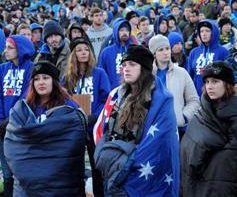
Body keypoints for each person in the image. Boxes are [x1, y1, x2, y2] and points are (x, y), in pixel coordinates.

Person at [93, 45, 179, 196]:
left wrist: (126, 168)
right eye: (124, 65)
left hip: (139, 176)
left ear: (144, 68)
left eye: (132, 64)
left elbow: (157, 146)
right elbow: (106, 132)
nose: (126, 69)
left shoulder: (162, 99)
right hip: (113, 173)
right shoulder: (118, 95)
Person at [4, 61, 87, 197]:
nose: (41, 82)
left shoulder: (69, 107)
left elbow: (72, 143)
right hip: (27, 187)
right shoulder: (24, 107)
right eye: (36, 79)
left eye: (45, 78)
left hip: (60, 186)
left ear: (54, 81)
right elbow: (14, 143)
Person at [181, 61, 237, 197]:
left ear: (228, 84)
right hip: (194, 180)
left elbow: (236, 154)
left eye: (215, 81)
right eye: (207, 82)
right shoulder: (203, 110)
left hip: (217, 184)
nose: (209, 87)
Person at [63, 38, 111, 196]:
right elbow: (63, 99)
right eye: (79, 50)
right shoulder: (68, 77)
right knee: (74, 167)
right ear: (74, 54)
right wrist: (74, 115)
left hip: (94, 127)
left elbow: (106, 99)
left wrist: (94, 117)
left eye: (86, 49)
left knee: (97, 167)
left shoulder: (99, 73)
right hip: (75, 127)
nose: (83, 52)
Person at [0, 35, 35, 197]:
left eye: (9, 47)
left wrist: (11, 120)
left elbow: (27, 96)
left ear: (20, 49)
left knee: (21, 173)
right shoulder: (2, 69)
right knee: (6, 174)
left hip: (21, 127)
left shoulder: (31, 68)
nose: (5, 51)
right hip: (2, 128)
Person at [149, 35, 200, 138]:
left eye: (167, 48)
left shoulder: (182, 73)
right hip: (153, 130)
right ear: (154, 54)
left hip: (177, 130)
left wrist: (184, 117)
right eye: (161, 50)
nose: (165, 52)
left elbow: (194, 100)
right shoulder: (147, 75)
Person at [188, 20, 229, 96]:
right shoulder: (194, 52)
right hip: (197, 96)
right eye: (201, 31)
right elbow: (189, 76)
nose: (204, 34)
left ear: (214, 32)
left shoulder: (223, 52)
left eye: (207, 31)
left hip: (218, 97)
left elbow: (227, 76)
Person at [97, 18, 133, 89]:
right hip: (112, 92)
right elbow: (101, 74)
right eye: (122, 30)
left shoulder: (134, 50)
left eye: (127, 30)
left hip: (132, 92)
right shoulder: (106, 52)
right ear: (116, 32)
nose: (125, 33)